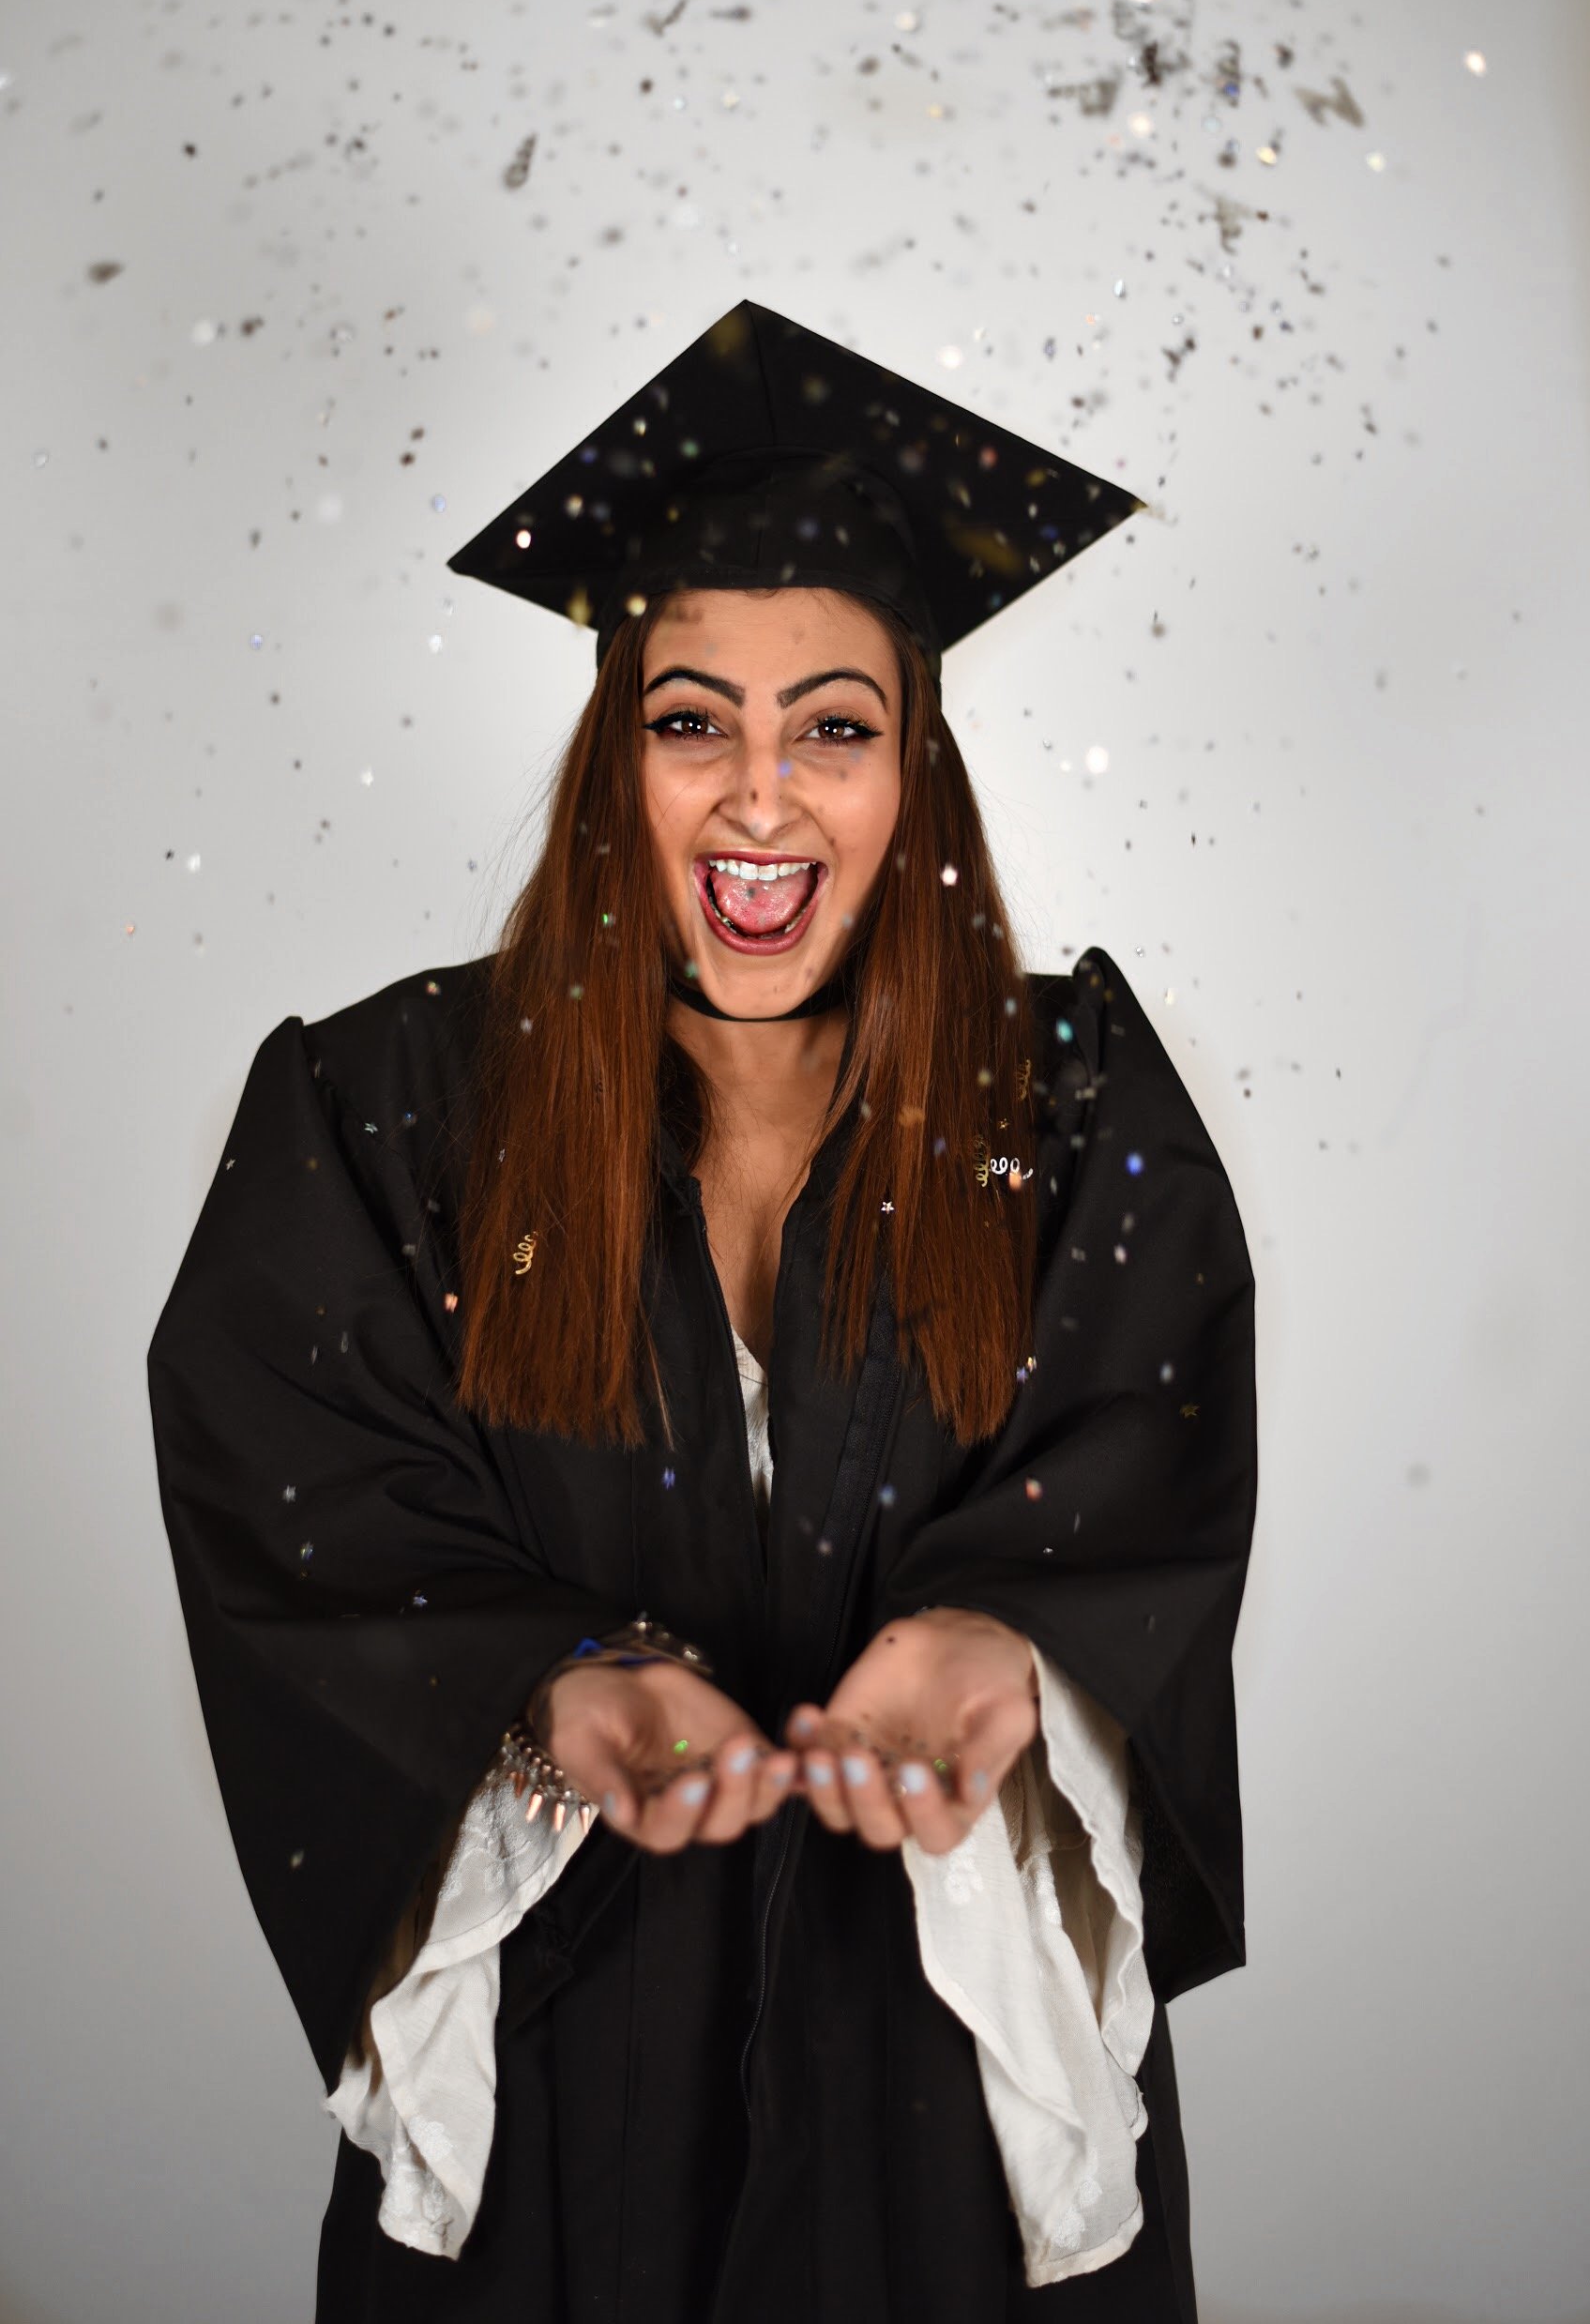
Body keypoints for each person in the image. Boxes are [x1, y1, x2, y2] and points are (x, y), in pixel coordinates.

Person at [146, 301, 1258, 2323]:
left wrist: (1001, 1637)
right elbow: (296, 1493)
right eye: (691, 724)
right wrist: (551, 1679)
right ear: (614, 759)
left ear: (914, 768)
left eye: (833, 726)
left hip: (946, 2096)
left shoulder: (1071, 1106)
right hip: (569, 2083)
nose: (762, 795)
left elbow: (1146, 1455)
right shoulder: (386, 1112)